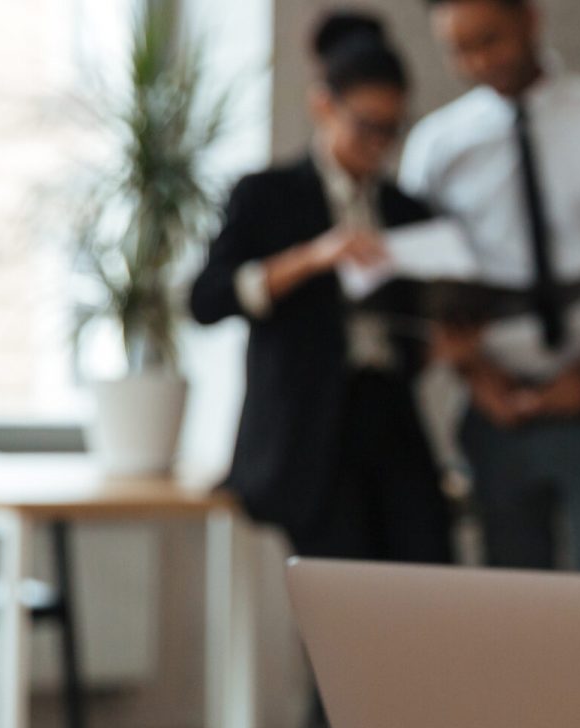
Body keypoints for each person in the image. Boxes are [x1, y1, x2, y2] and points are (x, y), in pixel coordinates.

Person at [406, 0, 580, 575]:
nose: (477, 61)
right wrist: (476, 377)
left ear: (530, 19)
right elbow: (421, 283)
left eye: (490, 39)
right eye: (458, 48)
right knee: (509, 606)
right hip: (495, 409)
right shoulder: (436, 147)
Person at [191, 15, 453, 570]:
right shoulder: (268, 196)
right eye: (366, 126)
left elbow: (423, 323)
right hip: (308, 434)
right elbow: (206, 301)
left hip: (390, 422)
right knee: (342, 600)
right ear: (324, 106)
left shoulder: (407, 210)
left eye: (392, 129)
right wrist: (313, 258)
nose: (379, 145)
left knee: (425, 578)